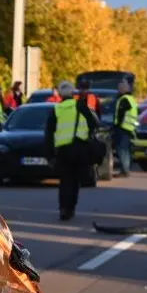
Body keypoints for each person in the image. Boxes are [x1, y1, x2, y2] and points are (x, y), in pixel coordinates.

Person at [43, 80, 98, 221]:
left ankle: (63, 209)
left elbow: (49, 133)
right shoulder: (80, 105)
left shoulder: (57, 109)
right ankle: (71, 208)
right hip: (80, 148)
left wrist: (49, 154)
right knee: (75, 181)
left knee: (65, 181)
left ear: (60, 94)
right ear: (72, 92)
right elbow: (93, 124)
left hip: (63, 150)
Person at [112, 79, 139, 178]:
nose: (118, 90)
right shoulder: (131, 99)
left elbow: (120, 114)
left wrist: (115, 126)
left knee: (122, 150)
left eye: (119, 88)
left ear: (123, 89)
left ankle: (125, 170)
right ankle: (126, 169)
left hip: (122, 127)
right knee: (126, 150)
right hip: (130, 127)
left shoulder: (124, 99)